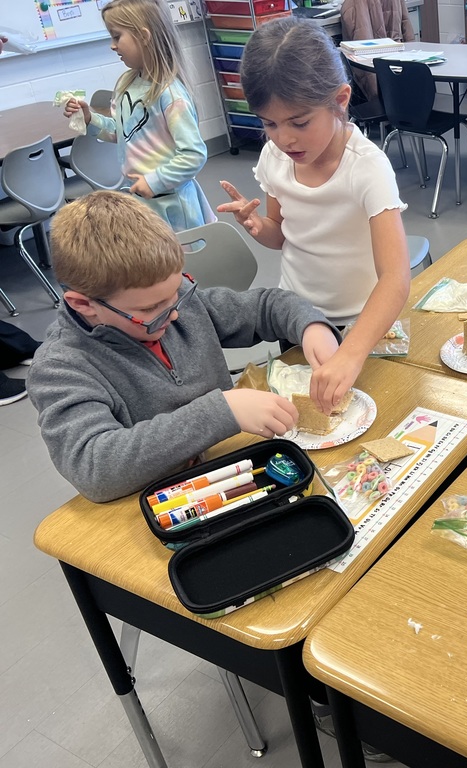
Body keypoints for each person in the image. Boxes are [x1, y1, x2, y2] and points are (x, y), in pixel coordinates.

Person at [26, 192, 341, 503]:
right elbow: (95, 468)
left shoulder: (174, 304)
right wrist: (222, 412)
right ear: (84, 305)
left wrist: (312, 327)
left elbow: (266, 306)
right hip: (165, 502)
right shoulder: (61, 368)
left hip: (231, 467)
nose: (175, 314)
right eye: (151, 309)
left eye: (177, 292)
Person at [218, 17, 410, 412]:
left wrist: (352, 352)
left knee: (366, 416)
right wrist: (257, 226)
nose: (284, 138)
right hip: (298, 320)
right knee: (311, 420)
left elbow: (395, 277)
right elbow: (281, 234)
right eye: (269, 124)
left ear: (340, 100)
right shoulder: (275, 157)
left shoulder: (366, 168)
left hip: (362, 325)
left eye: (300, 122)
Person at [61, 0, 215, 232]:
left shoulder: (170, 95)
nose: (112, 46)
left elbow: (194, 155)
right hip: (143, 201)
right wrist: (90, 119)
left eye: (117, 37)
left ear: (144, 36)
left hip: (173, 204)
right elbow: (120, 132)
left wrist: (154, 181)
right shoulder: (127, 82)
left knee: (180, 256)